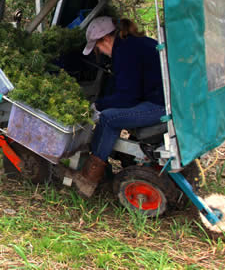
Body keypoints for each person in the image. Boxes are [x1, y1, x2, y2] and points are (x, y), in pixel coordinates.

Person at [71, 16, 165, 198]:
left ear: (105, 39)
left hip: (160, 106)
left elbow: (127, 97)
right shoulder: (135, 43)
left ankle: (89, 179)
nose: (101, 52)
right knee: (111, 114)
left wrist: (97, 106)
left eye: (98, 47)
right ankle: (118, 162)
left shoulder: (125, 51)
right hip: (164, 101)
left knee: (108, 118)